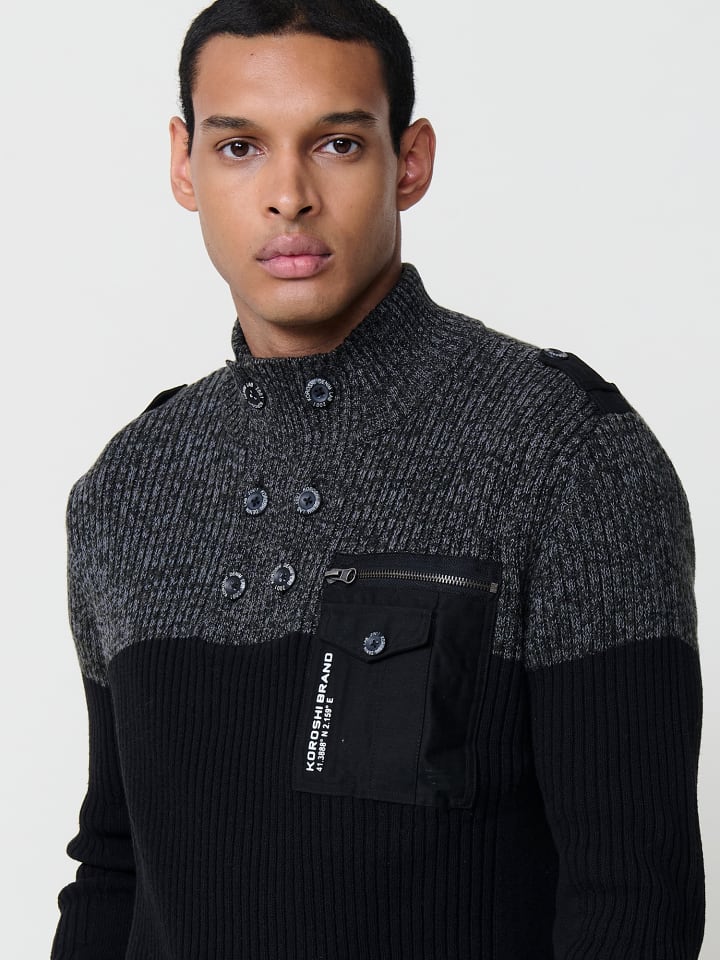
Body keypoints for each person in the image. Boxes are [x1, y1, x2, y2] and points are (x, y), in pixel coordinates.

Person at [51, 1, 704, 958]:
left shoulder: (568, 454)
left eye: (338, 144)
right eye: (240, 147)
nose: (288, 195)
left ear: (410, 161)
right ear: (185, 166)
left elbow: (632, 899)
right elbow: (115, 867)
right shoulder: (128, 485)